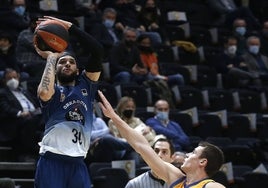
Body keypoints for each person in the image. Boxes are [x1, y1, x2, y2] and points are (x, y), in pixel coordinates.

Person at [97, 90, 226, 188]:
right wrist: (114, 117)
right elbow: (141, 145)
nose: (186, 154)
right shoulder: (177, 178)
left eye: (193, 153)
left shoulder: (211, 186)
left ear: (202, 162)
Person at [33, 16, 103, 188]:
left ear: (77, 69)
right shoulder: (53, 91)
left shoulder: (87, 86)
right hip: (52, 160)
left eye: (71, 62)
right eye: (62, 62)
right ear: (55, 70)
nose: (67, 64)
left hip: (78, 163)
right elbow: (43, 92)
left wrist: (69, 27)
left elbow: (97, 51)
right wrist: (51, 57)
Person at [0, 68, 43, 161]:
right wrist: (20, 113)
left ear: (19, 77)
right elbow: (5, 108)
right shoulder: (2, 93)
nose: (12, 80)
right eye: (9, 78)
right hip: (17, 120)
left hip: (35, 116)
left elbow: (36, 103)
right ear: (4, 80)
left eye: (14, 77)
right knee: (31, 122)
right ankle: (32, 151)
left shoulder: (25, 91)